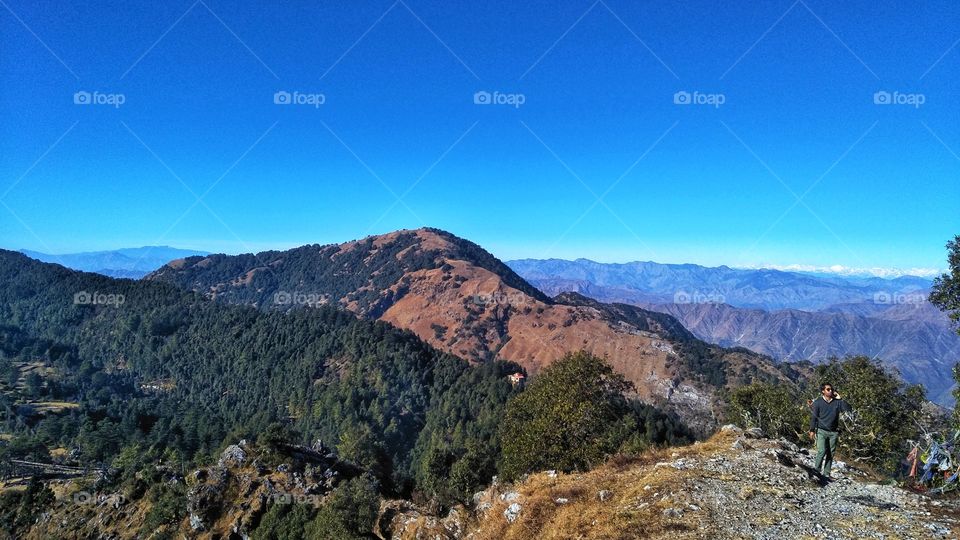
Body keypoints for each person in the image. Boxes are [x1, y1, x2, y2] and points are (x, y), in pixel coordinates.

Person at [808, 383, 852, 479]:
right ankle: (816, 471)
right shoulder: (818, 402)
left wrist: (840, 399)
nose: (831, 390)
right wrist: (812, 430)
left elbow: (848, 409)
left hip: (833, 432)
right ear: (823, 391)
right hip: (821, 431)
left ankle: (826, 474)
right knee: (822, 451)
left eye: (831, 389)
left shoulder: (837, 402)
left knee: (830, 453)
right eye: (828, 389)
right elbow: (814, 417)